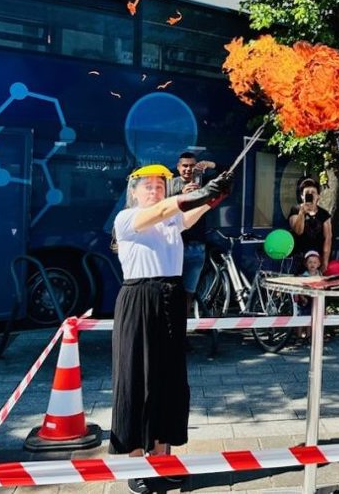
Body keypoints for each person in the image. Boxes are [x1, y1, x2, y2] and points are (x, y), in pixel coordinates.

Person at [110, 163, 232, 494]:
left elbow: (188, 212)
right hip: (139, 298)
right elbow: (169, 206)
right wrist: (193, 196)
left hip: (171, 297)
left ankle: (162, 456)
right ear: (133, 192)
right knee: (136, 378)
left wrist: (216, 194)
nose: (155, 190)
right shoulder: (128, 219)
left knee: (170, 379)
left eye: (160, 185)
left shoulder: (170, 221)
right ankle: (135, 460)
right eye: (147, 185)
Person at [166, 152, 216, 318]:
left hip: (196, 246)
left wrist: (210, 164)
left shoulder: (203, 183)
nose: (188, 169)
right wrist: (181, 194)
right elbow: (160, 209)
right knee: (170, 290)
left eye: (192, 166)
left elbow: (228, 175)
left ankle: (183, 334)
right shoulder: (170, 185)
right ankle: (168, 331)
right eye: (184, 166)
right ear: (178, 167)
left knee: (189, 291)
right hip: (173, 244)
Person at [288, 177, 332, 270]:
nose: (310, 195)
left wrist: (325, 261)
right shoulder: (295, 210)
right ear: (302, 196)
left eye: (313, 193)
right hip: (299, 256)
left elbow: (328, 238)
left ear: (318, 196)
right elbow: (298, 231)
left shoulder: (324, 214)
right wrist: (302, 213)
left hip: (316, 258)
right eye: (307, 193)